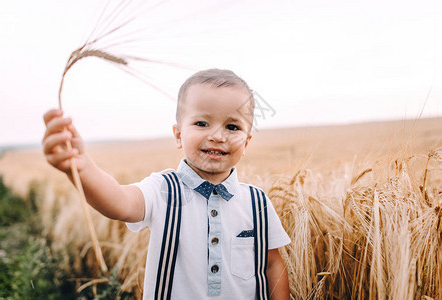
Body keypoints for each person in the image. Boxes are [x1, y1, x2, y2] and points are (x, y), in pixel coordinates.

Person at [42, 69, 291, 299]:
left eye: (232, 126)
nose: (217, 136)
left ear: (246, 143)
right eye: (202, 123)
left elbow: (272, 264)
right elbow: (119, 201)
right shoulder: (163, 190)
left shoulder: (257, 202)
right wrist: (82, 167)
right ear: (179, 135)